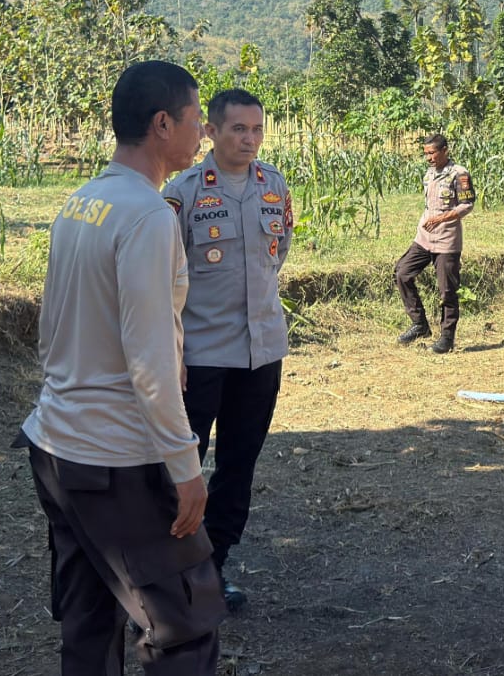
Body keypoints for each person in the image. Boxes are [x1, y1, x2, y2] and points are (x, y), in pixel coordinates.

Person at [16, 60, 223, 676]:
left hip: (56, 446)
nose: (203, 132)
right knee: (183, 624)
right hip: (116, 458)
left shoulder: (83, 202)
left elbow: (51, 329)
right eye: (195, 119)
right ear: (162, 124)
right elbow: (151, 363)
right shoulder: (148, 216)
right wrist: (185, 466)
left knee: (89, 617)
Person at [163, 88, 293, 613]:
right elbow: (163, 276)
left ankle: (211, 569)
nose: (250, 139)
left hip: (261, 352)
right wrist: (172, 352)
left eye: (257, 129)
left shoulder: (274, 185)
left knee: (239, 466)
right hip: (200, 356)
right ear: (211, 131)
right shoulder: (183, 193)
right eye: (238, 129)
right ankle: (167, 578)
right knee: (181, 470)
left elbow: (278, 253)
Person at [394, 133, 475, 354]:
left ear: (445, 150)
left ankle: (446, 339)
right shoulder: (429, 173)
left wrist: (441, 219)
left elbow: (467, 205)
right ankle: (419, 324)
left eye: (432, 153)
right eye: (426, 154)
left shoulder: (459, 174)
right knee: (402, 273)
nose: (429, 158)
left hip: (447, 240)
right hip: (424, 238)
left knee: (447, 291)